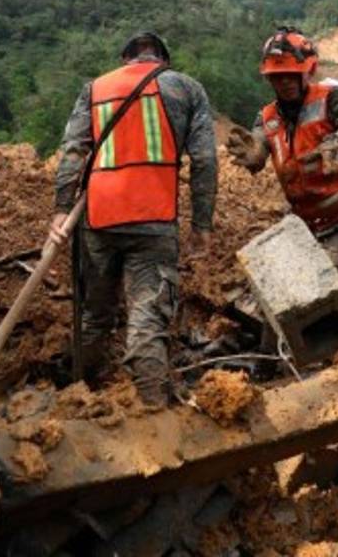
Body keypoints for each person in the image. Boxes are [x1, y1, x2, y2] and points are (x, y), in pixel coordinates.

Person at [49, 31, 216, 408]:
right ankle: (154, 409)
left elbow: (73, 152)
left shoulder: (96, 88)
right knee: (146, 317)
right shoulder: (185, 89)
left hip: (99, 218)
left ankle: (77, 395)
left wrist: (61, 208)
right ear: (163, 60)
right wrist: (201, 226)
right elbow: (205, 160)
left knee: (94, 315)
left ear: (126, 59)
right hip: (152, 219)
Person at [226, 26, 338, 288]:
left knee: (329, 291)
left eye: (290, 75)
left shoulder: (331, 97)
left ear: (308, 71)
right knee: (278, 290)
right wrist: (255, 153)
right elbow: (259, 141)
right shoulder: (267, 117)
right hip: (303, 219)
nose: (284, 82)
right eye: (277, 76)